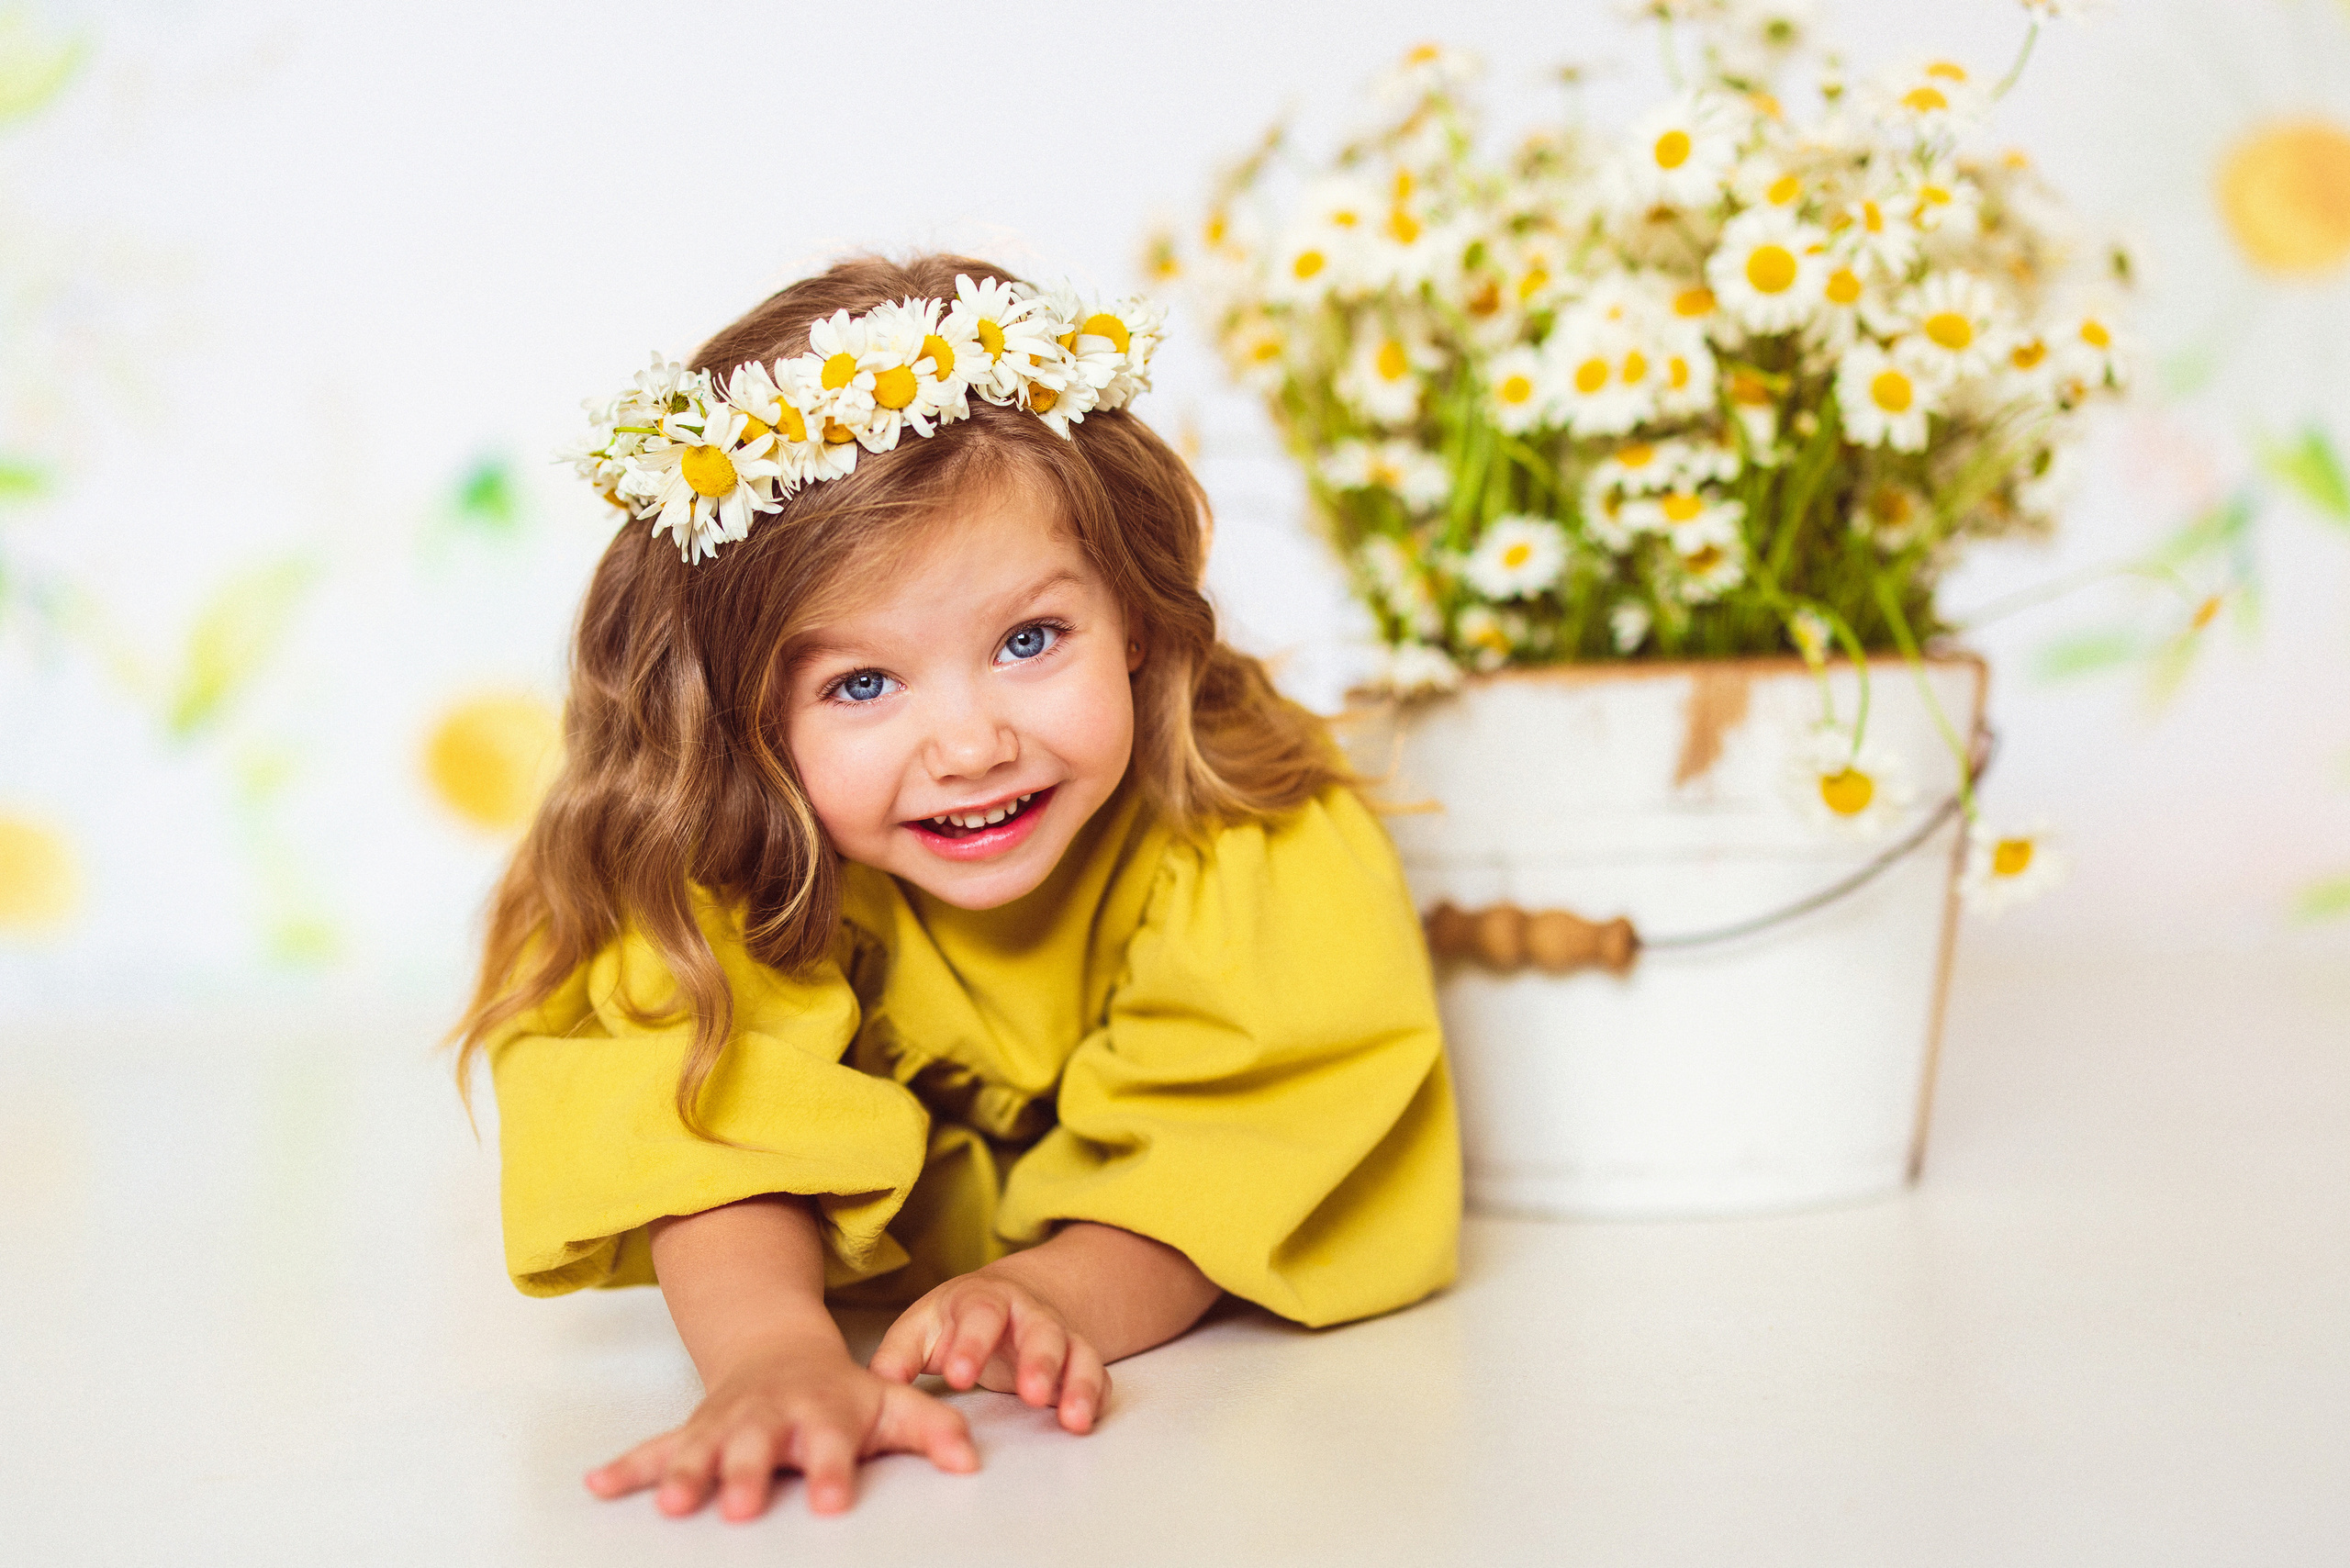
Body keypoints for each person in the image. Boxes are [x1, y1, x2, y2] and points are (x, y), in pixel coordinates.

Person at [452, 252, 1460, 1523]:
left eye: (1031, 641)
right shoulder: (711, 865)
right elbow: (695, 1124)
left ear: (1136, 618)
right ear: (739, 717)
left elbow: (1244, 1137)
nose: (973, 745)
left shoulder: (1247, 834)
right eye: (862, 685)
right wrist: (776, 1355)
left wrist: (1055, 1297)